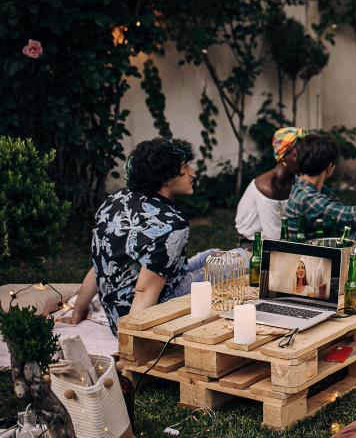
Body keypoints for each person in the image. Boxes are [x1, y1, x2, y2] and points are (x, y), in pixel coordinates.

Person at [69, 138, 232, 335]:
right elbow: (145, 292)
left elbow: (100, 265)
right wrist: (130, 343)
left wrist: (78, 310)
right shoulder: (172, 225)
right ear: (165, 178)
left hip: (117, 311)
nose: (192, 172)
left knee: (217, 255)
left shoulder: (115, 201)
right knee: (235, 267)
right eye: (185, 166)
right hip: (139, 317)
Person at [235, 127, 305, 242]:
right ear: (283, 158)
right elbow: (274, 238)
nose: (304, 159)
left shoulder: (295, 181)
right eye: (298, 155)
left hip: (282, 240)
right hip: (253, 244)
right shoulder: (267, 188)